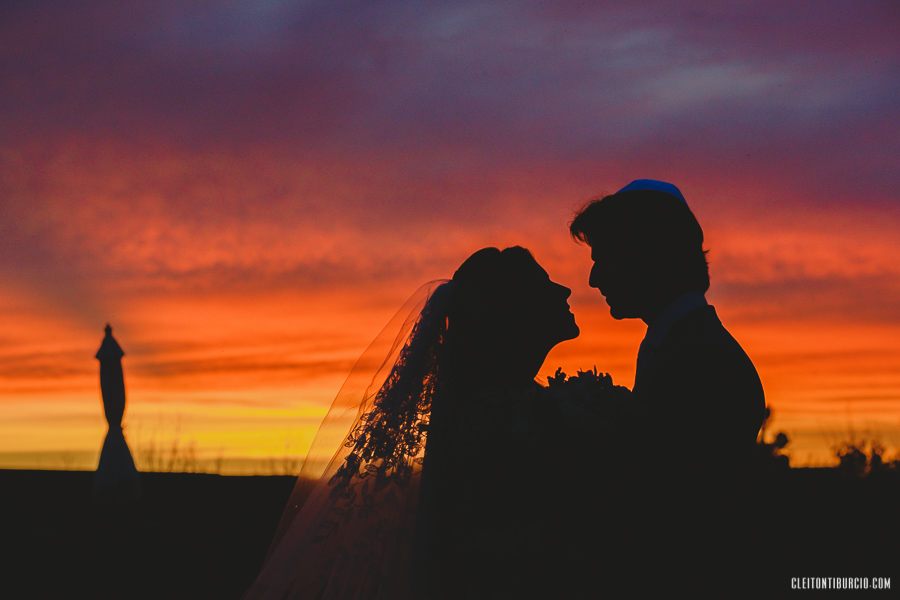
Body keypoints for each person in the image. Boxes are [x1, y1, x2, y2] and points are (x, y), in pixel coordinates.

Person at [243, 246, 580, 600]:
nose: (565, 290)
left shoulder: (514, 403)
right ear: (512, 312)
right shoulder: (501, 413)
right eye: (544, 284)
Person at [569, 179, 766, 587]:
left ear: (646, 256)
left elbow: (677, 519)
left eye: (603, 257)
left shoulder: (703, 361)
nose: (592, 279)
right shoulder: (682, 346)